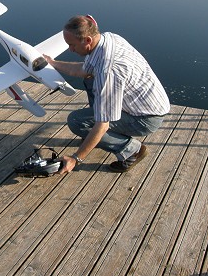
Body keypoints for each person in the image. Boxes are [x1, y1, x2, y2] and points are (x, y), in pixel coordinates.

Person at [44, 15, 170, 174]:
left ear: (87, 40)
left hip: (144, 119)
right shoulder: (109, 38)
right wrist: (53, 63)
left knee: (77, 122)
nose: (71, 49)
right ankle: (95, 137)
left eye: (72, 45)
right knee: (89, 79)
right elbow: (83, 70)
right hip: (149, 103)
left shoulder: (107, 71)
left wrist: (76, 158)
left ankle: (132, 151)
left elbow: (103, 124)